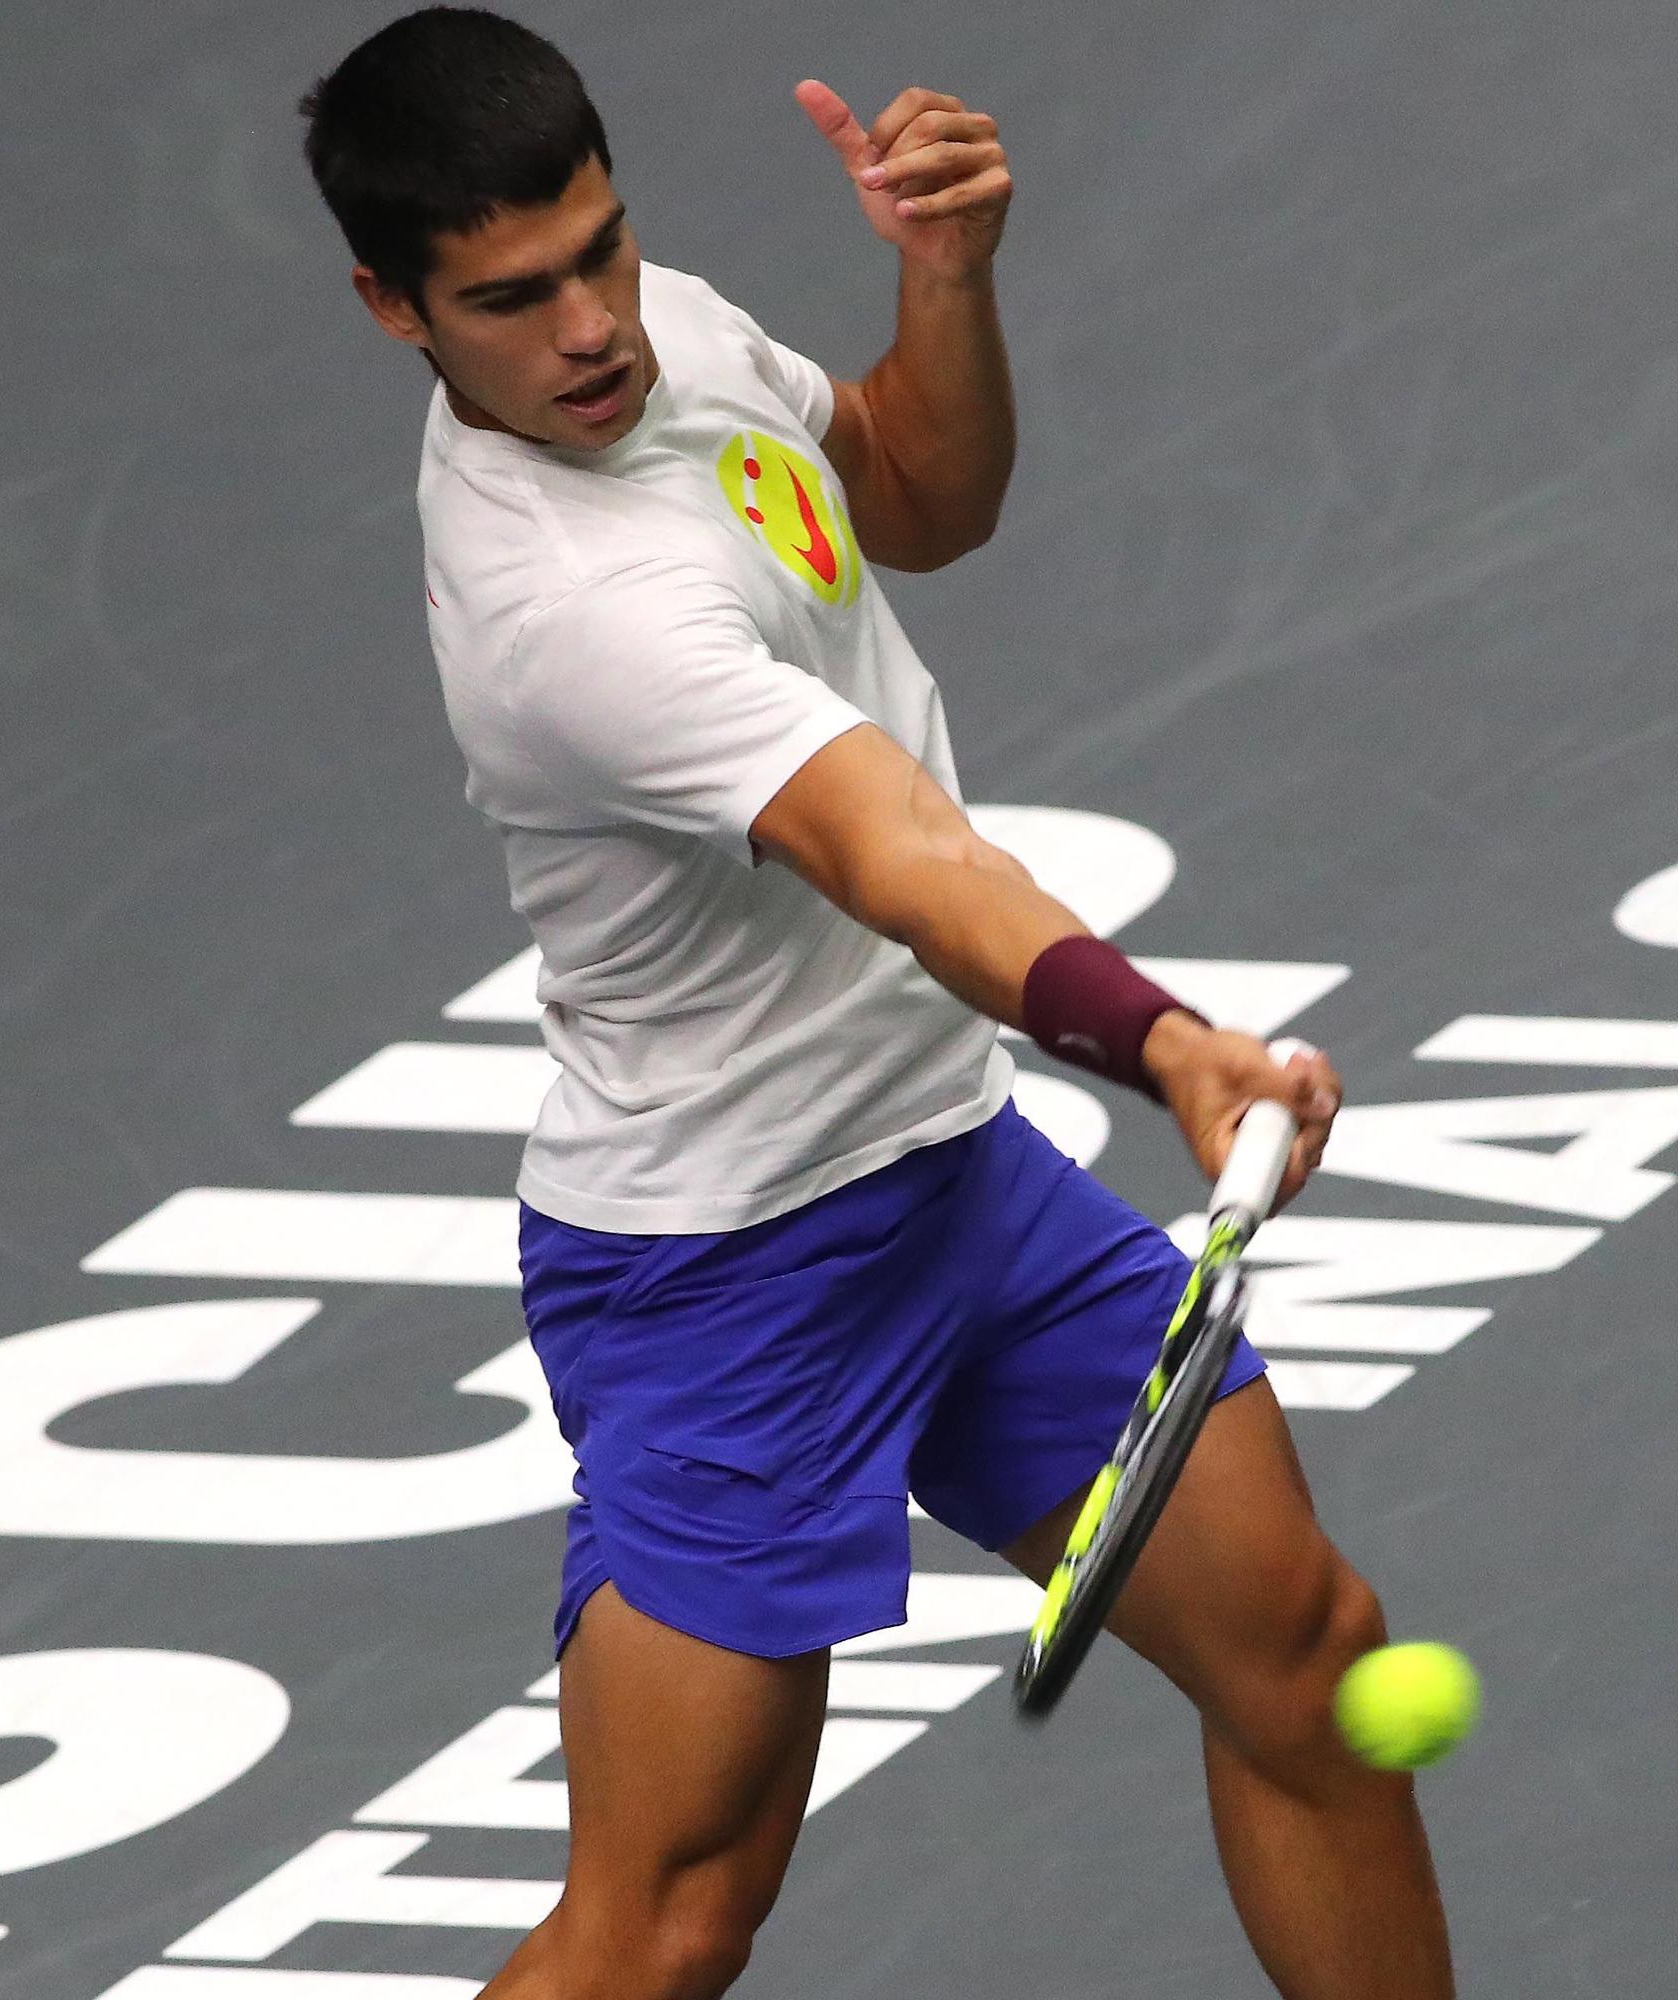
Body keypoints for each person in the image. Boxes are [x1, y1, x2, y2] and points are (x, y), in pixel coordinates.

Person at [298, 9, 1454, 1996]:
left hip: (948, 1177)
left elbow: (919, 492)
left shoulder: (673, 335)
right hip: (726, 1270)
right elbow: (898, 856)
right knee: (662, 1926)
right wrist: (1165, 1036)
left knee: (1308, 1664)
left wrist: (945, 284)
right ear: (391, 308)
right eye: (512, 298)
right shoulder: (574, 617)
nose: (588, 328)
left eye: (600, 250)